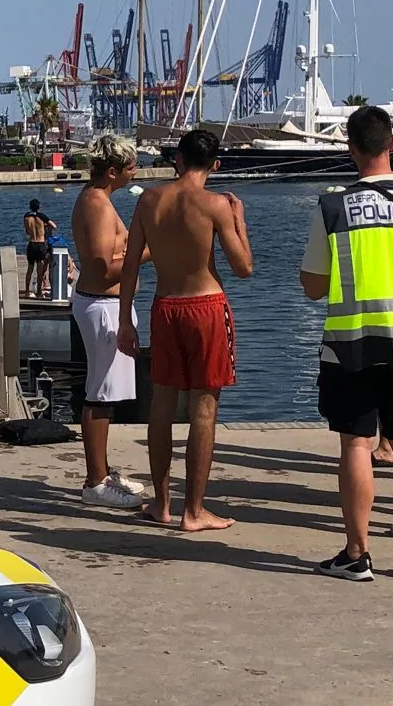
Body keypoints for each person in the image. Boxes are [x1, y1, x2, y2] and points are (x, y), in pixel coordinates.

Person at [300, 106, 393, 580]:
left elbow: (312, 285)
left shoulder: (333, 208)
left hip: (351, 347)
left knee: (357, 445)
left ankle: (357, 551)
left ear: (351, 149)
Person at [116, 128, 251, 532]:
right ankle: (194, 510)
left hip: (165, 306)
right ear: (215, 165)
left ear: (177, 159)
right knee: (204, 409)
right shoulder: (215, 205)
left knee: (161, 405)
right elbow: (243, 268)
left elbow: (130, 264)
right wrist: (239, 221)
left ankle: (162, 504)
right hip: (206, 307)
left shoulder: (149, 201)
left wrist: (125, 319)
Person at [69, 136, 148, 509]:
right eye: (132, 166)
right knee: (100, 394)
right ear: (113, 171)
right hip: (102, 304)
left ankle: (102, 470)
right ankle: (94, 482)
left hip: (105, 304)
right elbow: (102, 270)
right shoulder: (97, 205)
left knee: (106, 393)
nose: (137, 171)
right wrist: (153, 250)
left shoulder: (98, 200)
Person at [23, 198, 58, 297]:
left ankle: (26, 292)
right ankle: (38, 292)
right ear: (39, 207)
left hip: (31, 243)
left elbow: (27, 231)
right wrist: (45, 225)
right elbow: (54, 226)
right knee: (40, 271)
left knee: (30, 269)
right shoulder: (42, 216)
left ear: (30, 207)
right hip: (41, 244)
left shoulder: (26, 217)